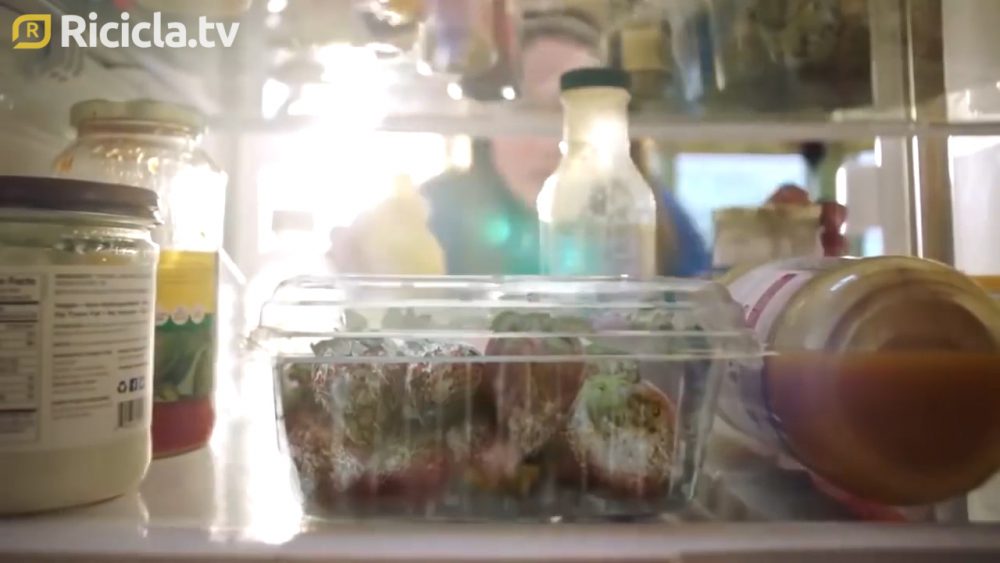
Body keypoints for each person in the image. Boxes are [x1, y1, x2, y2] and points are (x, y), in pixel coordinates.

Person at [421, 11, 710, 276]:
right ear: (486, 126)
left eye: (575, 114)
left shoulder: (654, 214)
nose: (551, 144)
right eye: (525, 111)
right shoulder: (431, 214)